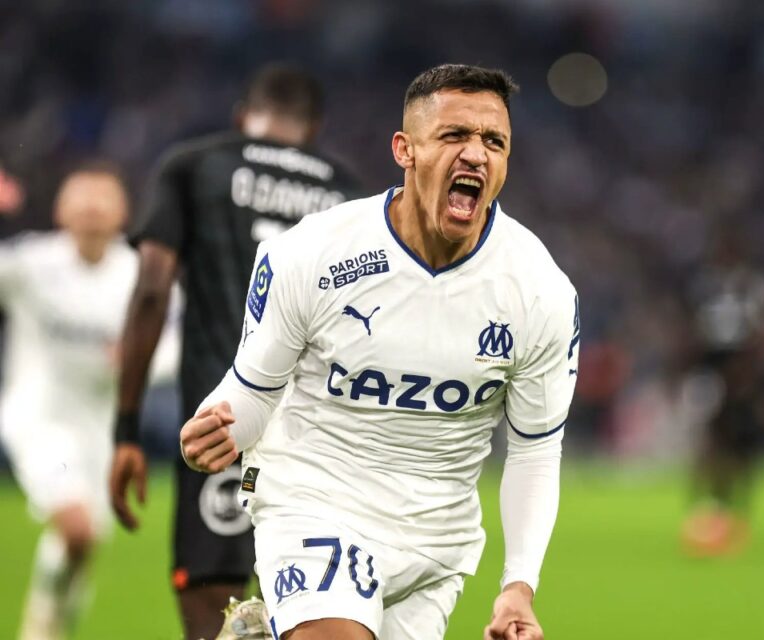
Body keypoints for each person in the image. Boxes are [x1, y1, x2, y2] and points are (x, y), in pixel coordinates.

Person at [179, 63, 579, 640]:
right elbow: (253, 392)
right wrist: (219, 428)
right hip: (315, 496)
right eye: (453, 136)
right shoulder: (312, 254)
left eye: (494, 141)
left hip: (434, 543)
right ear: (405, 149)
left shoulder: (539, 291)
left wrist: (518, 587)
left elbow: (535, 451)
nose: (476, 154)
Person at [108, 63, 363, 640]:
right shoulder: (350, 194)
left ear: (242, 116)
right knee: (311, 616)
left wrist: (126, 430)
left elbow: (151, 290)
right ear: (315, 126)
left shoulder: (194, 165)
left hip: (220, 425)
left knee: (214, 612)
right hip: (323, 441)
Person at [0, 163, 177, 639]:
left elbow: (174, 342)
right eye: (82, 196)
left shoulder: (140, 272)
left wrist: (138, 357)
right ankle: (41, 630)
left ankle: (48, 625)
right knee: (76, 528)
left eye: (104, 197)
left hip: (101, 430)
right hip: (38, 419)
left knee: (82, 545)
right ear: (61, 209)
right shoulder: (28, 263)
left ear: (123, 211)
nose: (93, 207)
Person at [680, 229, 764, 556]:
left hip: (743, 376)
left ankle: (734, 511)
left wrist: (749, 376)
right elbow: (689, 329)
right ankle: (708, 506)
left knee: (741, 444)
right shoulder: (705, 286)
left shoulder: (754, 287)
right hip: (710, 373)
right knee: (709, 439)